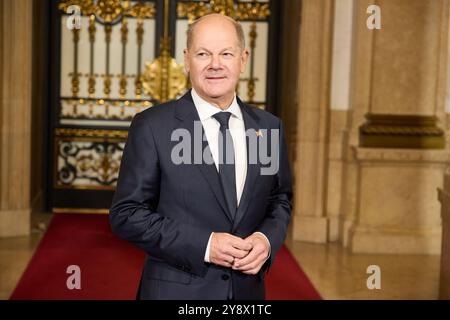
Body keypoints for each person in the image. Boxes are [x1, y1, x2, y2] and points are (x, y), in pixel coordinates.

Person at [109, 13, 292, 300]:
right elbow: (127, 214)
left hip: (246, 293)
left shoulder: (268, 127)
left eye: (226, 53)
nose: (215, 64)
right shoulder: (153, 126)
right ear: (187, 59)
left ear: (243, 59)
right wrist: (205, 245)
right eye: (203, 53)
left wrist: (265, 240)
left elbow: (279, 200)